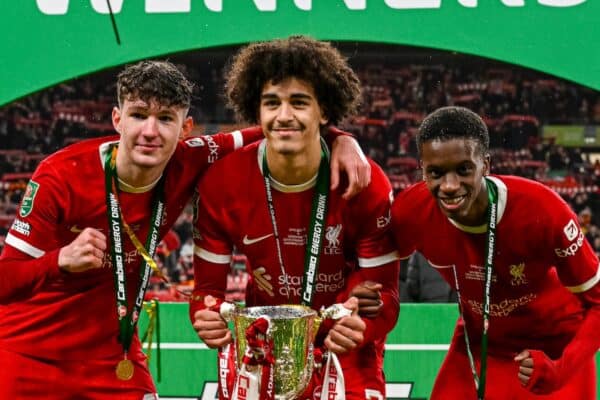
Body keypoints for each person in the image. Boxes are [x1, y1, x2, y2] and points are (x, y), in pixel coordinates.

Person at [0, 60, 370, 399]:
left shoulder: (191, 158)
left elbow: (276, 127)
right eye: (139, 115)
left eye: (165, 118)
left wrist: (340, 137)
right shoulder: (61, 176)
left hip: (111, 358)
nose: (150, 131)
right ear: (117, 119)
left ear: (185, 127)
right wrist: (59, 260)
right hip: (30, 352)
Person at [189, 35, 400, 400]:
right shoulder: (222, 183)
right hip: (263, 339)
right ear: (257, 110)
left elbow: (385, 295)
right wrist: (205, 316)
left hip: (341, 341)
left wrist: (363, 325)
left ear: (325, 111)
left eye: (299, 102)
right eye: (272, 103)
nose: (284, 115)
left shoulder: (364, 182)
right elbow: (206, 293)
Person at [391, 106, 600, 399]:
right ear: (421, 169)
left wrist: (562, 368)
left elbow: (598, 302)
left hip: (554, 349)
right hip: (480, 345)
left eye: (464, 169)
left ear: (485, 165)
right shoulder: (411, 212)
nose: (449, 186)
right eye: (435, 172)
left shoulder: (543, 210)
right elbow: (367, 264)